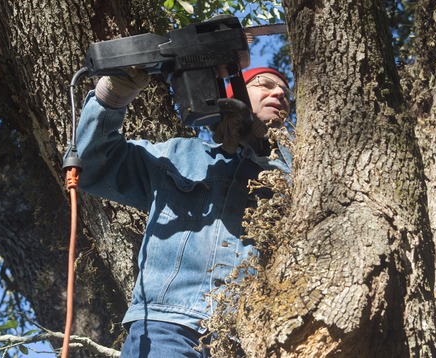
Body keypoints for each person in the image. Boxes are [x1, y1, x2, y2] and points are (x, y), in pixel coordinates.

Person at [75, 65, 291, 357]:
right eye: (264, 85)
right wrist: (112, 94)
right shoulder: (177, 156)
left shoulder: (294, 178)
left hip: (252, 341)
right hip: (167, 329)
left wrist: (276, 157)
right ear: (233, 96)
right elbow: (92, 165)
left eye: (286, 94)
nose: (279, 93)